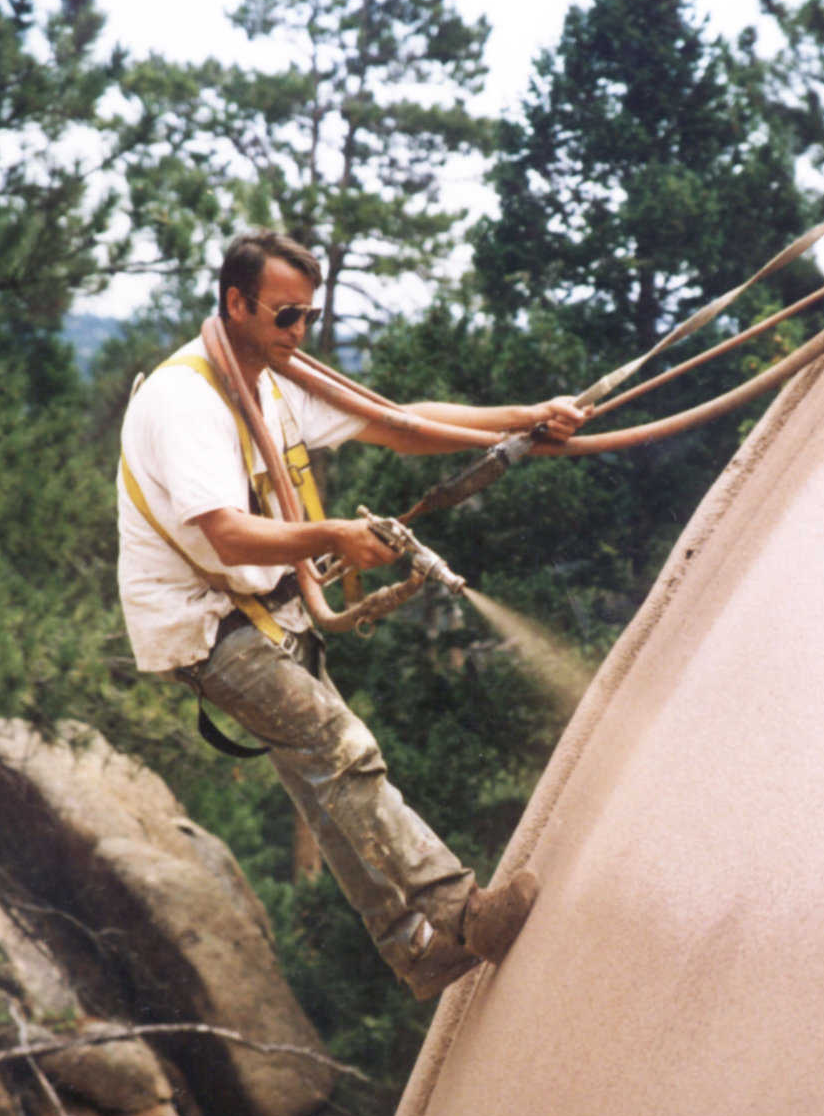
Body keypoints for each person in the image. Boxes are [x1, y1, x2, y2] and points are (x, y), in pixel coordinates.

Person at [117, 230, 590, 999]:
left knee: (325, 784)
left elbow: (397, 422)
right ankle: (463, 913)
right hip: (206, 622)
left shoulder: (271, 376)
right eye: (285, 315)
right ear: (235, 304)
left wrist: (524, 419)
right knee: (342, 748)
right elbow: (226, 531)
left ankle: (418, 952)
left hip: (266, 607)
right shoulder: (187, 400)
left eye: (308, 315)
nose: (299, 333)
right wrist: (333, 534)